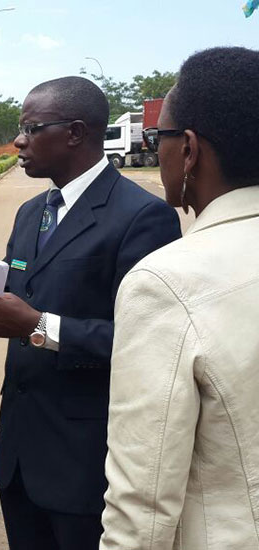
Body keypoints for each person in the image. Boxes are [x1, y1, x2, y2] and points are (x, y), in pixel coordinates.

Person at [0, 76, 181, 550]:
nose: (19, 140)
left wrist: (35, 326)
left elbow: (149, 344)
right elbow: (17, 293)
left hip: (84, 463)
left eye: (32, 129)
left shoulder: (142, 217)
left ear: (75, 132)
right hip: (18, 458)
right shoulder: (32, 212)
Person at [100, 47, 259, 550]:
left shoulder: (167, 283)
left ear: (188, 149)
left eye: (158, 138)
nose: (157, 150)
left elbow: (142, 507)